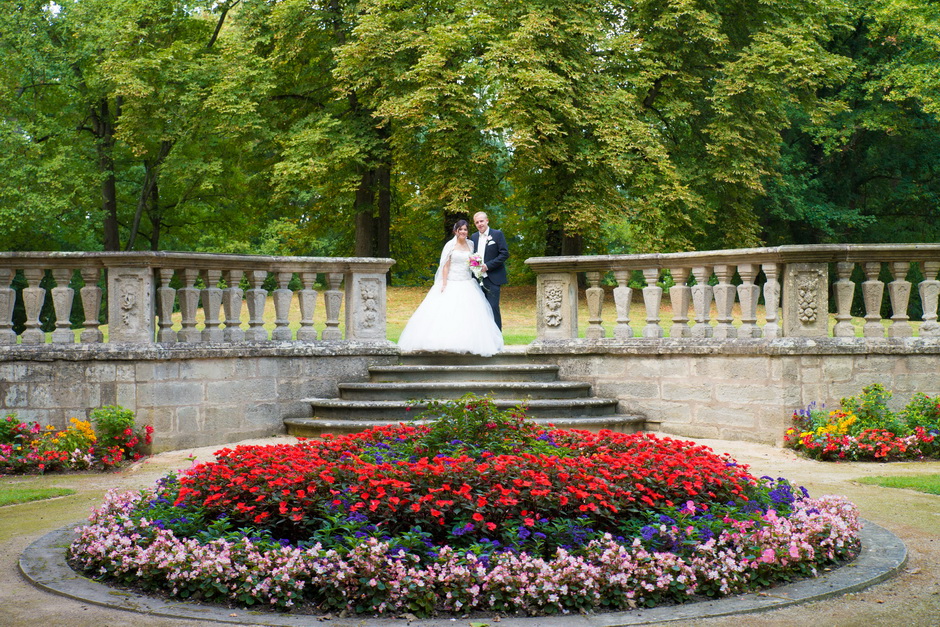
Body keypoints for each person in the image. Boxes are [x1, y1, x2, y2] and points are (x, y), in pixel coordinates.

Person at [397, 220, 504, 356]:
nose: (463, 232)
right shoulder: (450, 245)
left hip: (467, 282)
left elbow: (474, 262)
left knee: (469, 314)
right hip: (452, 281)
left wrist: (477, 268)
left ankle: (467, 342)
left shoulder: (471, 244)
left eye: (465, 229)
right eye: (461, 230)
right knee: (448, 312)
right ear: (456, 231)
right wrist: (444, 283)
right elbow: (445, 266)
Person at [469, 211, 509, 329]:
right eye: (477, 222)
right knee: (480, 310)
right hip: (477, 279)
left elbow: (504, 254)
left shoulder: (497, 234)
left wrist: (488, 265)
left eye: (481, 221)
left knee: (493, 307)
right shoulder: (474, 237)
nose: (479, 224)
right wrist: (474, 265)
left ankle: (497, 339)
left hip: (493, 278)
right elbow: (472, 255)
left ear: (487, 221)